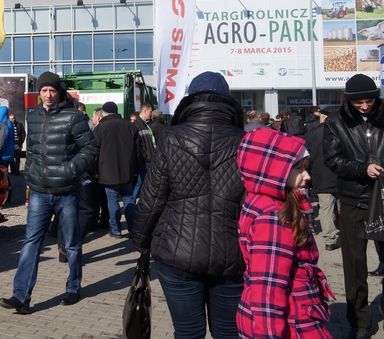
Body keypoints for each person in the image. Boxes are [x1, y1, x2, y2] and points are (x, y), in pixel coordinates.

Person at [131, 71, 246, 338]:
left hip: (177, 251)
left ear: (190, 100)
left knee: (187, 332)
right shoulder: (245, 141)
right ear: (227, 101)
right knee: (229, 332)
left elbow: (151, 199)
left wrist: (141, 242)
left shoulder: (171, 138)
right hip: (233, 253)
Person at [0, 71, 98, 314]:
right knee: (31, 242)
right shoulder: (32, 117)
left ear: (59, 92)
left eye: (52, 90)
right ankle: (21, 296)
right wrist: (30, 176)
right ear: (39, 93)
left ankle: (73, 287)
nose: (48, 95)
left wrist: (70, 170)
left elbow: (91, 149)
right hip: (40, 192)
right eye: (43, 90)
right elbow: (31, 151)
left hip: (67, 192)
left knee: (72, 244)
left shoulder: (73, 117)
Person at [236, 127, 334, 338]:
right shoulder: (272, 218)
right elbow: (268, 289)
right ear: (274, 169)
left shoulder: (264, 199)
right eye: (298, 169)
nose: (307, 176)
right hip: (291, 321)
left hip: (293, 313)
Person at [324, 73, 384, 339]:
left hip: (383, 199)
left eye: (369, 100)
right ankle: (359, 320)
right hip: (354, 200)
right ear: (349, 100)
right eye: (359, 101)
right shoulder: (336, 123)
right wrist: (362, 169)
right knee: (355, 264)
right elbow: (332, 159)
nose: (365, 105)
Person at [95, 101, 139, 238]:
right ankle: (133, 228)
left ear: (103, 112)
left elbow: (94, 152)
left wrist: (94, 171)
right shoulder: (130, 126)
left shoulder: (100, 128)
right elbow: (138, 151)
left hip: (107, 171)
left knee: (112, 200)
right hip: (127, 170)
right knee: (128, 199)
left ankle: (115, 230)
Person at [305, 108, 340, 251]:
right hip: (340, 174)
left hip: (321, 175)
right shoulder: (340, 130)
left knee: (325, 208)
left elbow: (308, 155)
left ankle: (330, 239)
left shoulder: (313, 132)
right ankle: (350, 234)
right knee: (345, 205)